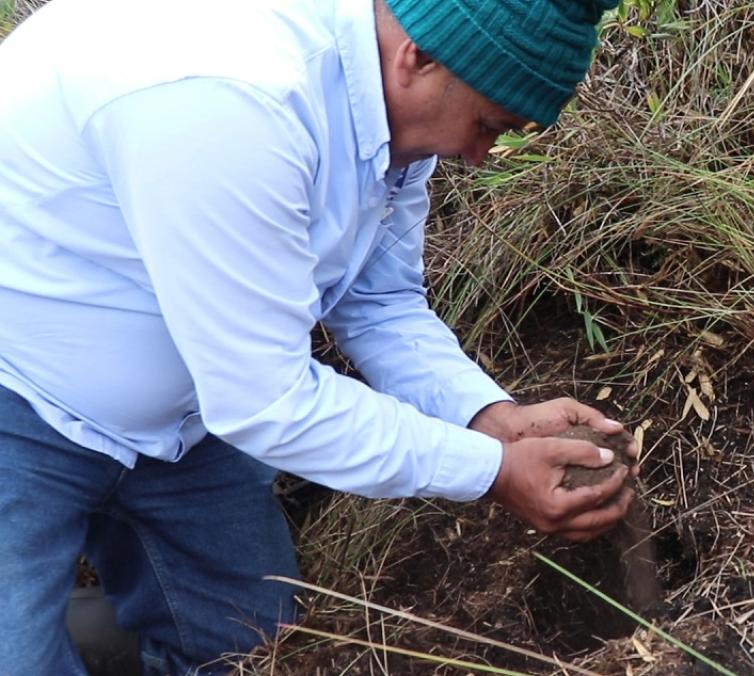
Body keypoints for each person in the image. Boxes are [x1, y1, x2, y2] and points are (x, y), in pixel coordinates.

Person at [0, 0, 631, 673]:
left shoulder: (391, 112)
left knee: (249, 648)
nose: (478, 156)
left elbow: (380, 302)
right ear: (417, 55)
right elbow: (266, 400)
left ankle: (82, 632)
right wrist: (492, 471)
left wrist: (491, 420)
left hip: (185, 419)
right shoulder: (230, 104)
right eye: (486, 125)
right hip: (21, 394)